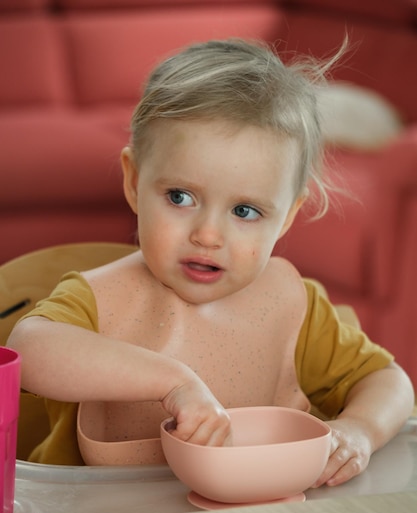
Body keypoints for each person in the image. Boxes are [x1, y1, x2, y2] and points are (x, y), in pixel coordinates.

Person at [7, 39, 414, 486]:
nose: (208, 234)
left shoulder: (295, 307)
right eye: (180, 197)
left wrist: (359, 430)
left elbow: (389, 381)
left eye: (245, 211)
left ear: (287, 217)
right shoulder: (95, 300)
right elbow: (29, 347)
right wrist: (172, 382)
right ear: (134, 181)